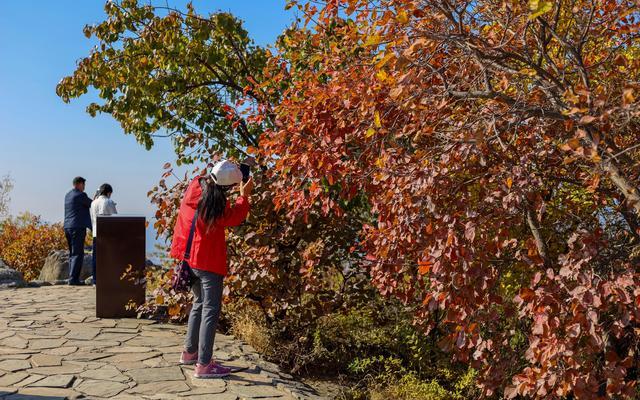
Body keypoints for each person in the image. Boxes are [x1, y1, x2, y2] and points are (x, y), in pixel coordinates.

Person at [171, 160, 253, 379]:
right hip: (207, 262)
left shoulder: (196, 186)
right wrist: (244, 196)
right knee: (211, 309)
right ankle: (204, 364)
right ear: (227, 188)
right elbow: (235, 217)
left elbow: (219, 177)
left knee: (198, 304)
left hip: (188, 258)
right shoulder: (217, 204)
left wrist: (236, 168)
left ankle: (189, 352)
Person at [63, 177, 92, 285]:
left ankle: (72, 277)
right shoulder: (81, 195)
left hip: (67, 227)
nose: (84, 187)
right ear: (79, 184)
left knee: (72, 253)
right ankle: (73, 279)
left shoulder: (68, 195)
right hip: (77, 227)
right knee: (78, 254)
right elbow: (92, 204)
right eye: (83, 185)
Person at [90, 183, 117, 285]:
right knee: (107, 257)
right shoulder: (109, 202)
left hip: (96, 232)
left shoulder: (93, 203)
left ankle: (95, 280)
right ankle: (106, 279)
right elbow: (115, 217)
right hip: (107, 233)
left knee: (96, 257)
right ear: (109, 193)